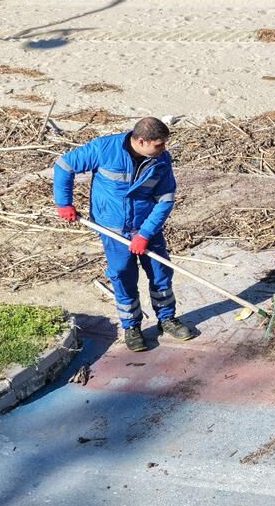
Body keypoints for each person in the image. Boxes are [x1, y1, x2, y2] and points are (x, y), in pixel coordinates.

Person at [53, 116, 200, 352]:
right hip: (112, 228)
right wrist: (64, 203)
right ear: (141, 141)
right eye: (159, 144)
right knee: (122, 275)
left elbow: (165, 199)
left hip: (146, 227)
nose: (164, 149)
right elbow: (64, 166)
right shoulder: (104, 149)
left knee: (160, 273)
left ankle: (167, 319)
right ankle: (132, 326)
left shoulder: (161, 159)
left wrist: (145, 234)